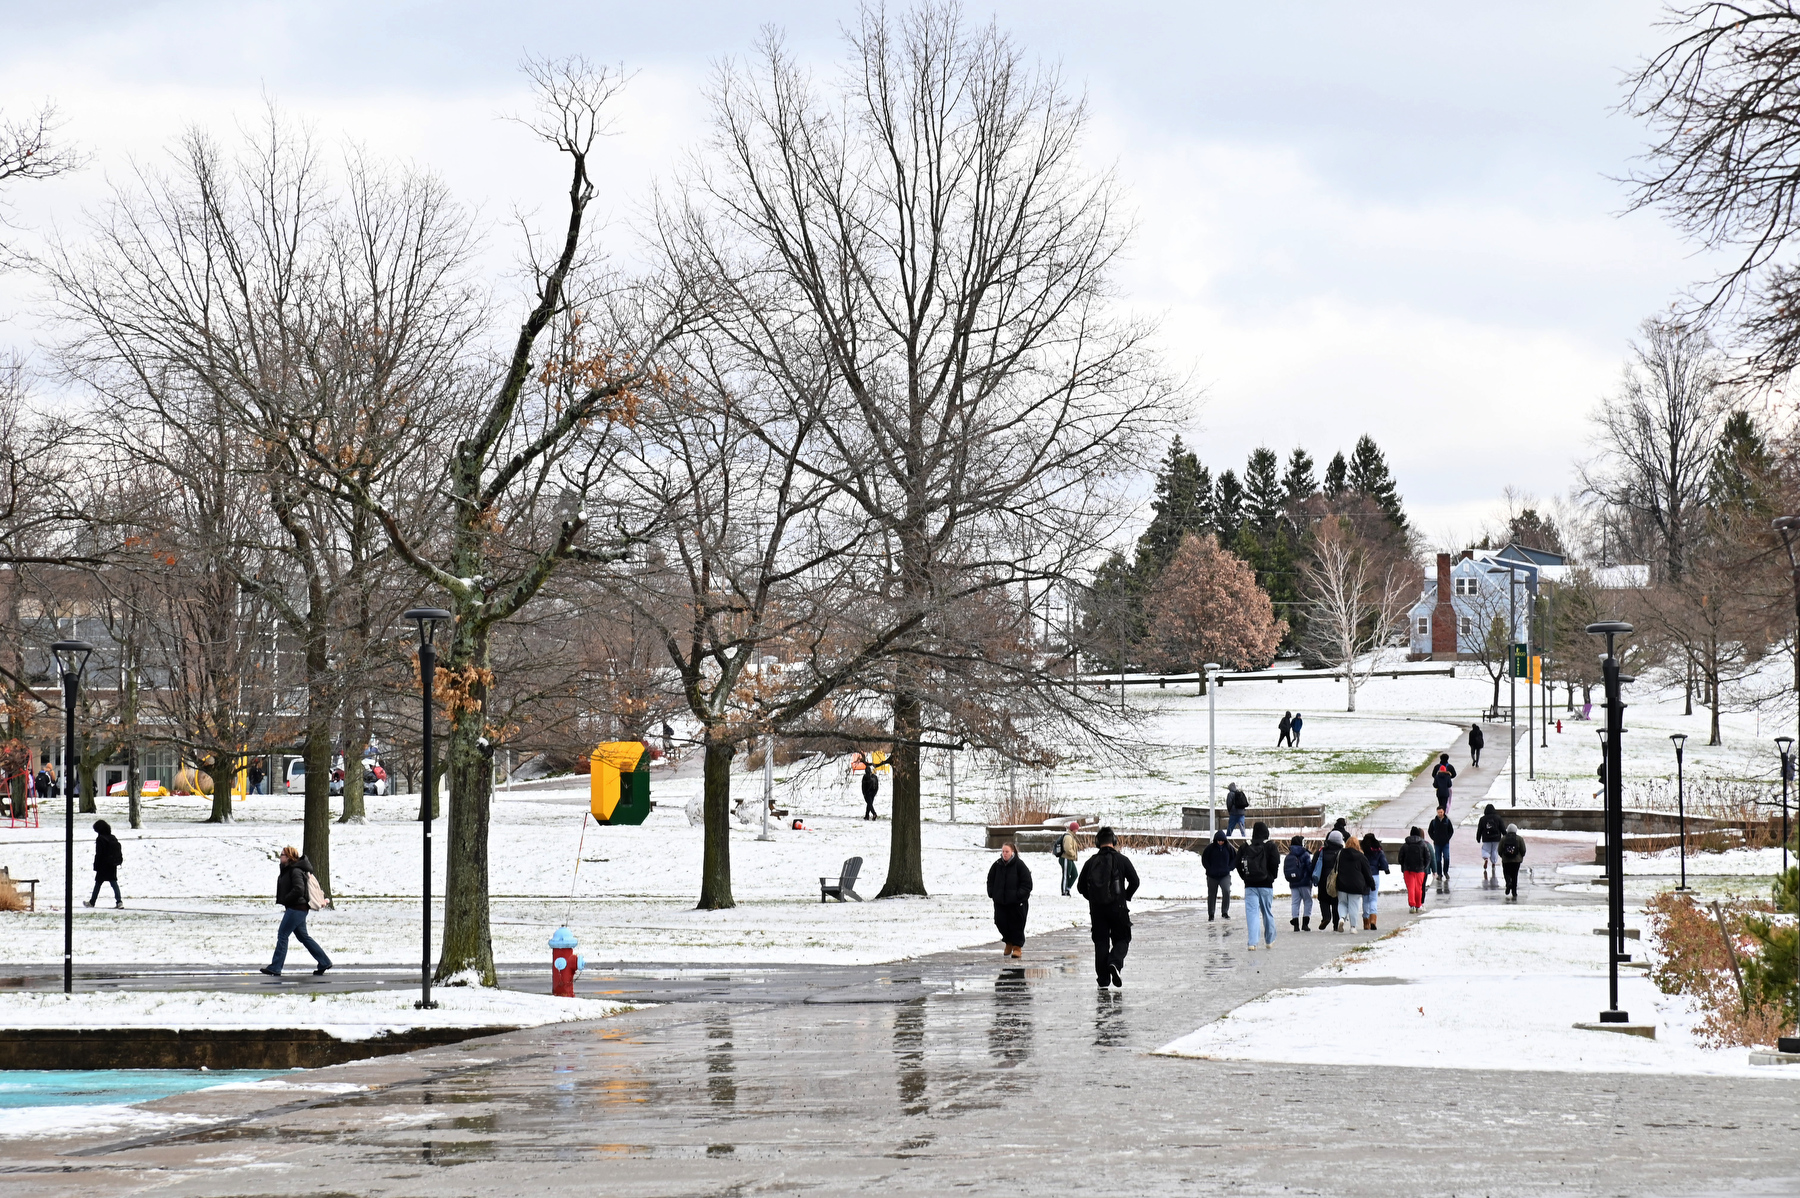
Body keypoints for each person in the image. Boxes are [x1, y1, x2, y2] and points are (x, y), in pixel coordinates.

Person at [1076, 826, 1139, 987]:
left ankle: (1103, 980)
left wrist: (1093, 898)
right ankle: (1115, 963)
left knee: (1100, 942)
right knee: (1123, 938)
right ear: (1114, 842)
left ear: (1098, 843)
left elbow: (1080, 887)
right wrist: (1125, 896)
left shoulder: (1090, 862)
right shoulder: (1122, 860)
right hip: (1118, 908)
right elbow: (1135, 881)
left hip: (1097, 910)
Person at [260, 846, 331, 977]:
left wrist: (287, 899)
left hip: (297, 908)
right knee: (303, 936)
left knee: (282, 935)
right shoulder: (289, 869)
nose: (280, 857)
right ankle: (324, 962)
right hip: (297, 908)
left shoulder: (295, 871)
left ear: (289, 857)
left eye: (282, 855)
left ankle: (276, 967)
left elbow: (298, 889)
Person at [1236, 821, 1281, 951]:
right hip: (1266, 885)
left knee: (1252, 913)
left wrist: (1245, 878)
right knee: (1267, 912)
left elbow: (1238, 864)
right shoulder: (1270, 846)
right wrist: (1271, 877)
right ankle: (1269, 940)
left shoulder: (1245, 847)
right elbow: (1275, 863)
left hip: (1250, 885)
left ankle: (1252, 942)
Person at [987, 843, 1033, 957]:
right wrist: (992, 893)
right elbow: (990, 879)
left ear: (1012, 852)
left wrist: (1019, 895)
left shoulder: (1019, 865)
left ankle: (1017, 947)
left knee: (1017, 924)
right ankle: (1008, 941)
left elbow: (1027, 883)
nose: (1004, 854)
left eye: (1007, 851)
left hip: (1016, 902)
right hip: (1000, 901)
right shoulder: (997, 865)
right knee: (1000, 922)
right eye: (1003, 851)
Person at [1332, 831, 1374, 933]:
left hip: (1342, 884)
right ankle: (1353, 927)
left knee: (1342, 903)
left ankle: (1341, 918)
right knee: (1353, 906)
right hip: (1356, 885)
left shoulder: (1340, 854)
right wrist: (1371, 884)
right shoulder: (1361, 856)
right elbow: (1367, 872)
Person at [82, 819, 123, 909]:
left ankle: (92, 902)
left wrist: (96, 865)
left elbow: (99, 854)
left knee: (98, 883)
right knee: (113, 882)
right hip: (112, 864)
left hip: (103, 865)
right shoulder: (112, 837)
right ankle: (119, 902)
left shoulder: (100, 839)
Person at [1201, 829, 1238, 920]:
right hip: (1212, 876)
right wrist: (1209, 869)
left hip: (1224, 875)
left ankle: (1224, 912)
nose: (1220, 842)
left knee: (1226, 891)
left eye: (1222, 841)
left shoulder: (1229, 848)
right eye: (1219, 841)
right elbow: (1204, 859)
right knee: (1212, 894)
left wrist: (1230, 868)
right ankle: (1211, 914)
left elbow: (1235, 858)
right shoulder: (1210, 848)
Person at [1312, 830, 1344, 932]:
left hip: (1323, 879)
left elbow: (1313, 864)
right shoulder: (1341, 852)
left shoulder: (1321, 851)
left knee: (1323, 899)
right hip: (1336, 880)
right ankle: (1335, 924)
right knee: (1336, 902)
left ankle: (1326, 917)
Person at [1399, 825, 1432, 913]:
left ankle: (1412, 905)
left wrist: (1404, 866)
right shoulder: (1423, 845)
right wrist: (1424, 866)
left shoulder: (1405, 845)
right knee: (1419, 888)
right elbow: (1428, 857)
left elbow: (1400, 858)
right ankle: (1418, 905)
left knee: (1411, 888)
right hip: (1420, 870)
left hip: (1408, 870)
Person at [1360, 832, 1389, 931]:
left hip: (1364, 877)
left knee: (1365, 899)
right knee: (1373, 899)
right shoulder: (1378, 850)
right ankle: (1373, 920)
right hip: (1375, 876)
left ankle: (1366, 922)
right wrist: (1385, 869)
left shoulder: (1362, 850)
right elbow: (1384, 863)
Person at [1284, 835, 1314, 930]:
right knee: (1308, 901)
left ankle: (1295, 924)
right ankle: (1305, 924)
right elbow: (1309, 868)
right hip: (1305, 883)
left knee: (1295, 902)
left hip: (1293, 882)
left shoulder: (1289, 855)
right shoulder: (1305, 854)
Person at [1428, 806, 1455, 892]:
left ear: (1443, 812)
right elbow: (1430, 831)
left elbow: (1451, 830)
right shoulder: (1434, 822)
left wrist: (1448, 838)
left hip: (1445, 843)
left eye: (1441, 812)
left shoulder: (1447, 821)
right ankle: (1439, 874)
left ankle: (1446, 872)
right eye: (1439, 812)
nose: (1440, 813)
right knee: (1438, 859)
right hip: (1437, 844)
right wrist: (1434, 838)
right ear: (1437, 812)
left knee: (1446, 858)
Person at [1498, 823, 1528, 900]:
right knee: (1515, 875)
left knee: (1506, 873)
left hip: (1506, 860)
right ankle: (1514, 892)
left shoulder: (1503, 839)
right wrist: (1520, 857)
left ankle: (1508, 882)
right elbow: (1523, 850)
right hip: (1516, 860)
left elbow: (1499, 850)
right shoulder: (1520, 839)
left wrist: (1503, 856)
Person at [1476, 803, 1506, 880]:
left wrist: (1478, 838)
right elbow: (1502, 828)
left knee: (1486, 849)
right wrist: (1505, 835)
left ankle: (1486, 858)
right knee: (1494, 851)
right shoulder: (1498, 818)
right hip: (1496, 838)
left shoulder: (1483, 819)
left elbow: (1480, 829)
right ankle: (1493, 862)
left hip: (1486, 838)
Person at [1055, 821, 1081, 896]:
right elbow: (1067, 848)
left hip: (1069, 859)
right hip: (1065, 858)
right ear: (1073, 829)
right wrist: (1073, 854)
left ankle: (1067, 888)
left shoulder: (1071, 836)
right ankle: (1064, 891)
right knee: (1066, 875)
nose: (1077, 830)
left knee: (1074, 874)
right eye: (1076, 829)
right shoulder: (1068, 837)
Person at [860, 756, 879, 820]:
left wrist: (864, 793)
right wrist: (875, 792)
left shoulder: (865, 777)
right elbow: (877, 786)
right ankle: (867, 815)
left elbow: (863, 786)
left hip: (867, 792)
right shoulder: (875, 777)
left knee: (869, 804)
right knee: (869, 803)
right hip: (873, 792)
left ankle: (874, 814)